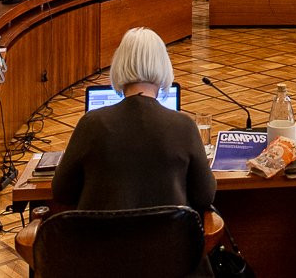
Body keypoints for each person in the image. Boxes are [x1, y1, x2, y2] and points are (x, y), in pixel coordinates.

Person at [53, 27, 216, 275]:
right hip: (170, 263)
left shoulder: (91, 124)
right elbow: (205, 196)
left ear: (119, 65)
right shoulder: (183, 125)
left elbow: (61, 191)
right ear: (164, 68)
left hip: (102, 264)